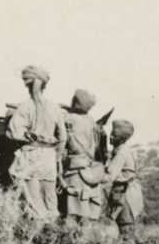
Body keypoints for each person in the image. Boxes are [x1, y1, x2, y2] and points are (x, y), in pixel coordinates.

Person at [6, 65, 67, 222]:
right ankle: (54, 237)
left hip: (31, 157)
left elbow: (12, 133)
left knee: (35, 204)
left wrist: (28, 137)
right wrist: (57, 156)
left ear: (28, 85)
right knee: (50, 201)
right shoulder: (55, 107)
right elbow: (63, 137)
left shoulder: (25, 107)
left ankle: (37, 238)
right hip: (50, 159)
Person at [61, 89, 104, 224]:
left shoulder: (69, 119)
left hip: (75, 170)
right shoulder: (91, 121)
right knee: (85, 212)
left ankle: (72, 243)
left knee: (72, 213)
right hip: (90, 169)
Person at [104, 119, 144, 239]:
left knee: (125, 226)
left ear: (121, 138)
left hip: (123, 192)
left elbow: (109, 175)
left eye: (114, 135)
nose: (110, 137)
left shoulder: (121, 153)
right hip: (127, 191)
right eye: (111, 133)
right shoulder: (122, 150)